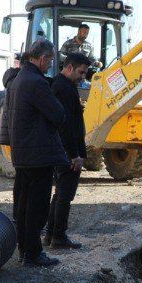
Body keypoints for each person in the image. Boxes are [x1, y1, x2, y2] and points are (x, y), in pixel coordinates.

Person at [6, 38, 67, 267]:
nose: (51, 64)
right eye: (50, 60)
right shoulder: (36, 83)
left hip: (22, 154)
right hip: (38, 156)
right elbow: (58, 115)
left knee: (22, 206)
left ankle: (24, 250)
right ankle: (33, 253)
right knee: (37, 208)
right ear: (42, 58)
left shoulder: (18, 79)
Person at [45, 52, 91, 250]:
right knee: (65, 195)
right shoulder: (63, 88)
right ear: (70, 67)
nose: (83, 76)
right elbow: (66, 126)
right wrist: (74, 155)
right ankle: (58, 237)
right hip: (66, 152)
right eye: (81, 72)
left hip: (63, 150)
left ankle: (51, 235)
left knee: (60, 193)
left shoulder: (63, 85)